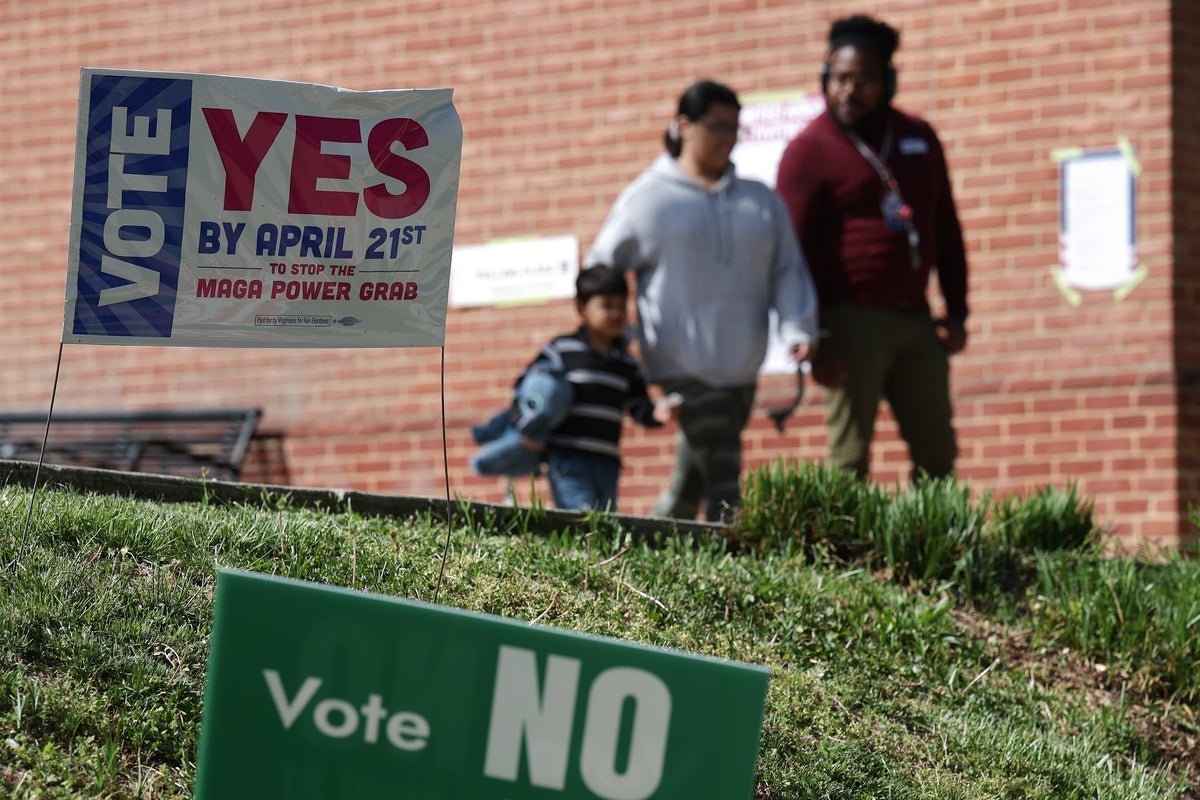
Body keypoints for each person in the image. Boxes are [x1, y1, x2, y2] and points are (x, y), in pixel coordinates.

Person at [586, 79, 819, 523]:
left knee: (691, 479)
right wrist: (622, 333)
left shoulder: (760, 201)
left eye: (735, 128)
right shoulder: (648, 198)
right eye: (716, 126)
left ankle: (645, 543)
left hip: (741, 367)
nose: (728, 138)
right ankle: (731, 550)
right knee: (724, 475)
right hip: (681, 366)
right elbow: (600, 269)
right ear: (683, 126)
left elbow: (787, 268)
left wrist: (798, 328)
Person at [775, 15, 969, 481]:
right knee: (849, 458)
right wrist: (813, 335)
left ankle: (932, 546)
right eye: (840, 78)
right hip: (847, 321)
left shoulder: (919, 137)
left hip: (915, 319)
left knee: (937, 453)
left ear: (889, 82)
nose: (848, 91)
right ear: (825, 78)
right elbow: (790, 253)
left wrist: (958, 310)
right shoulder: (809, 149)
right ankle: (845, 554)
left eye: (862, 81)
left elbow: (946, 226)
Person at [470, 266, 678, 512]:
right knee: (581, 520)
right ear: (581, 308)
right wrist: (527, 428)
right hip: (568, 459)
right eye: (606, 305)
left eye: (621, 306)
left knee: (605, 522)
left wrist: (657, 416)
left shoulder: (626, 363)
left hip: (608, 460)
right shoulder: (562, 350)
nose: (616, 313)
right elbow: (526, 391)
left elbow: (638, 405)